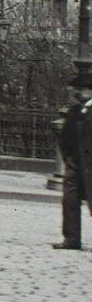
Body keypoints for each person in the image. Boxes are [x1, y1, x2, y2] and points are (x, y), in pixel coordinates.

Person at [53, 88, 92, 251]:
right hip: (75, 163)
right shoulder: (75, 111)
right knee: (70, 200)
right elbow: (65, 138)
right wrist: (68, 159)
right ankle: (71, 238)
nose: (80, 92)